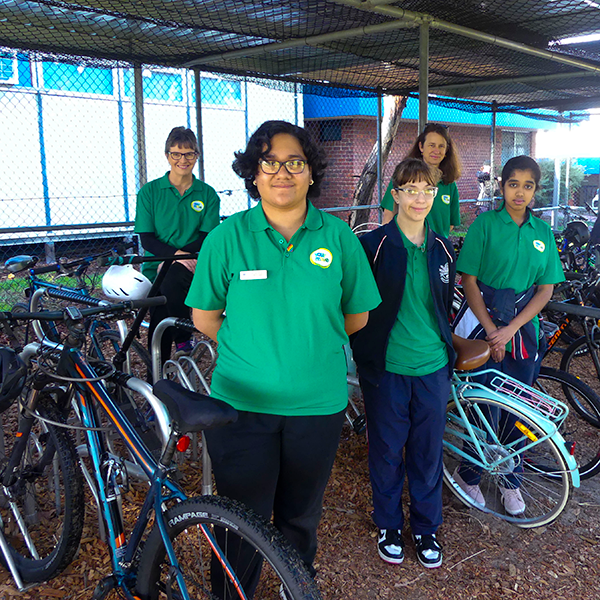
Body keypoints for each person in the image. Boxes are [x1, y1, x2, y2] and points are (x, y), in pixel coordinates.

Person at [185, 120, 381, 595]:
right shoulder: (226, 239)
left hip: (317, 407)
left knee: (299, 517)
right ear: (253, 173)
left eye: (294, 162)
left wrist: (306, 345)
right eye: (268, 162)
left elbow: (356, 317)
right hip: (242, 409)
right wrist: (256, 350)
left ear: (311, 172)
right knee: (240, 521)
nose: (282, 172)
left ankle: (296, 588)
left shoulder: (338, 237)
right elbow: (204, 316)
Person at [350, 158, 456, 569]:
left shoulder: (443, 247)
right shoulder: (373, 245)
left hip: (432, 367)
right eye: (410, 189)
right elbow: (356, 304)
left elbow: (443, 308)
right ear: (394, 195)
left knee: (428, 453)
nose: (419, 197)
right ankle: (389, 523)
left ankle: (426, 528)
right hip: (387, 368)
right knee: (388, 450)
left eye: (427, 190)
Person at [452, 155, 565, 516]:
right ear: (502, 186)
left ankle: (510, 479)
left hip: (522, 330)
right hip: (481, 321)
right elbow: (467, 279)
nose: (520, 192)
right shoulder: (485, 225)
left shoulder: (542, 232)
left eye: (528, 186)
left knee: (521, 404)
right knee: (483, 402)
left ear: (535, 190)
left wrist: (511, 329)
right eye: (513, 184)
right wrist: (490, 331)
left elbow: (545, 289)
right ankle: (468, 474)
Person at [134, 126, 220, 366]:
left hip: (194, 265)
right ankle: (181, 340)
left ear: (197, 156)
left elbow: (207, 236)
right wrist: (174, 256)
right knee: (163, 296)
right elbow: (147, 239)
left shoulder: (207, 194)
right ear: (167, 156)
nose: (183, 160)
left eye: (189, 154)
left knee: (166, 292)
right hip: (156, 266)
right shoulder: (150, 192)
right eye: (176, 154)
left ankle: (159, 374)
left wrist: (181, 258)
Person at [380, 123, 462, 237]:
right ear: (421, 147)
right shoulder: (404, 176)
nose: (436, 150)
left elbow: (450, 224)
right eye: (431, 145)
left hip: (436, 248)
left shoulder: (450, 184)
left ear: (447, 150)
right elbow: (388, 214)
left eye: (441, 146)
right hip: (406, 246)